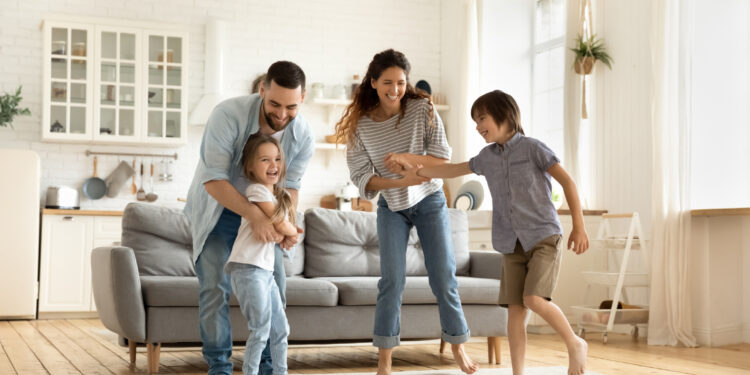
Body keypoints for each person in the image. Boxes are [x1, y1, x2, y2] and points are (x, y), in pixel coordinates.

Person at [409, 89, 590, 375]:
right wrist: (419, 172)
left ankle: (574, 343)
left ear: (505, 114)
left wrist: (579, 227)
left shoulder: (533, 148)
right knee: (515, 313)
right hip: (511, 243)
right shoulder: (487, 157)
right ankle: (518, 373)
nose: (478, 126)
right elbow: (455, 169)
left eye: (482, 118)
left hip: (543, 236)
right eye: (475, 121)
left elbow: (567, 183)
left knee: (533, 299)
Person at [334, 49, 478, 375]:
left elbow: (442, 159)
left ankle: (458, 347)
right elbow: (360, 177)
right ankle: (384, 362)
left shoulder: (422, 108)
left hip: (429, 200)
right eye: (387, 82)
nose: (395, 89)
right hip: (392, 206)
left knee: (443, 278)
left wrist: (407, 159)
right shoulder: (361, 126)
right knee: (391, 282)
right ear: (373, 82)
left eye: (401, 82)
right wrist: (397, 179)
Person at [184, 61, 314, 375]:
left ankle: (268, 370)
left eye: (291, 107)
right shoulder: (227, 115)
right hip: (221, 209)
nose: (282, 114)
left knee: (276, 289)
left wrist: (283, 223)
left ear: (303, 98)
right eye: (274, 104)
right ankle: (220, 369)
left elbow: (291, 187)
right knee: (215, 288)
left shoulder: (303, 135)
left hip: (267, 213)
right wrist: (256, 216)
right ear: (261, 90)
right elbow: (214, 178)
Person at [227, 134, 295, 375]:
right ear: (251, 167)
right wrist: (290, 232)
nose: (273, 165)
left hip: (265, 271)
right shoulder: (256, 190)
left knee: (281, 330)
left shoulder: (275, 196)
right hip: (247, 268)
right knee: (261, 329)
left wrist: (286, 231)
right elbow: (281, 223)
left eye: (277, 158)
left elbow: (281, 228)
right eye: (265, 159)